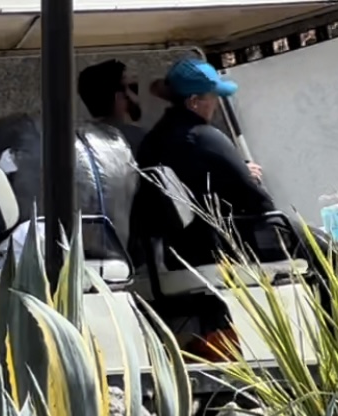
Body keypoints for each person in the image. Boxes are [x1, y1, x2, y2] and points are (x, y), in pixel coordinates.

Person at [133, 57, 277, 270]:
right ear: (193, 102)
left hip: (177, 255)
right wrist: (248, 177)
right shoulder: (205, 137)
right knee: (318, 245)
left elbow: (190, 180)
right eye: (213, 97)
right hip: (220, 251)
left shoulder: (152, 140)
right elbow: (259, 201)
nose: (217, 104)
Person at [76, 59, 147, 153]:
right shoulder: (140, 140)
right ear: (118, 97)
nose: (135, 97)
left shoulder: (80, 142)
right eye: (132, 88)